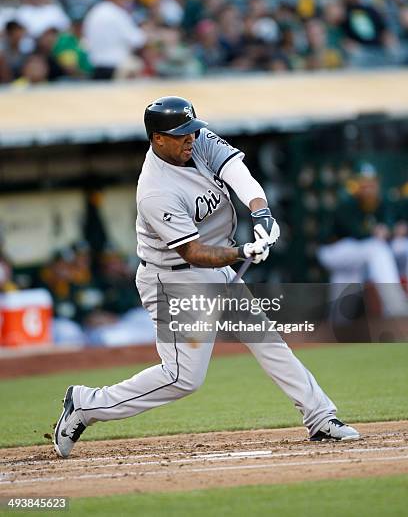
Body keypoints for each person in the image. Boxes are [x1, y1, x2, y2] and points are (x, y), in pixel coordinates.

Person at [53, 96, 360, 459]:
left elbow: (236, 172)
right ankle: (87, 405)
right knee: (182, 378)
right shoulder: (155, 190)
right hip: (174, 279)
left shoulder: (195, 142)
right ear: (157, 139)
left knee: (267, 340)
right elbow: (193, 252)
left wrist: (261, 214)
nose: (191, 139)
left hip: (216, 267)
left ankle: (320, 417)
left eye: (191, 131)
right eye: (180, 135)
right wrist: (243, 252)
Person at [318, 162, 408, 317]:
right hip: (334, 250)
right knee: (376, 249)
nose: (368, 187)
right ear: (356, 185)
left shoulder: (382, 203)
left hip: (356, 254)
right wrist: (379, 232)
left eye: (371, 183)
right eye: (364, 184)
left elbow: (392, 224)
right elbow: (357, 233)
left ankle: (336, 325)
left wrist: (392, 230)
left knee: (343, 299)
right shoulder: (346, 203)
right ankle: (397, 309)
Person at [83, 0, 146, 80]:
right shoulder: (117, 13)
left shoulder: (94, 11)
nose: (126, 2)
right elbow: (137, 40)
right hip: (116, 67)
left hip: (95, 67)